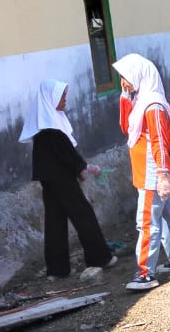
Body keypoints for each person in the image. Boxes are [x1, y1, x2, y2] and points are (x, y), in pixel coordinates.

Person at [19, 79, 115, 279]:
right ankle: (100, 257)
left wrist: (80, 167)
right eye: (62, 97)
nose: (65, 101)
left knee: (55, 221)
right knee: (83, 214)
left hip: (49, 180)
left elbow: (63, 154)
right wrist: (83, 168)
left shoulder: (44, 125)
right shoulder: (51, 128)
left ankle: (57, 269)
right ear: (50, 98)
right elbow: (67, 155)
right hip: (61, 179)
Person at [113, 54, 170, 291]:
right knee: (167, 215)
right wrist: (125, 97)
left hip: (152, 173)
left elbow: (159, 141)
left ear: (138, 75)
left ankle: (146, 272)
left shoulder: (153, 105)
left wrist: (162, 174)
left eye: (125, 78)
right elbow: (126, 128)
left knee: (147, 222)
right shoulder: (141, 101)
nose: (123, 82)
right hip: (148, 172)